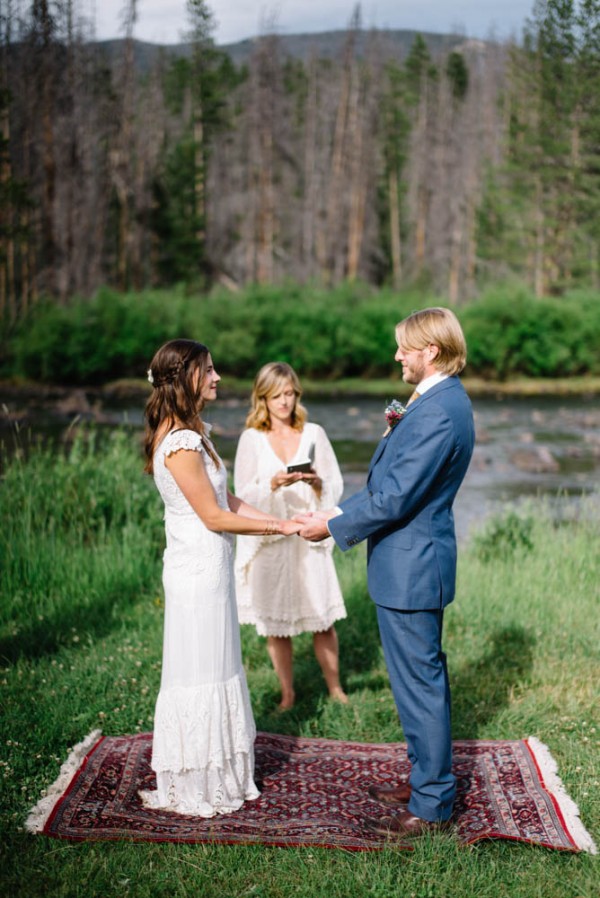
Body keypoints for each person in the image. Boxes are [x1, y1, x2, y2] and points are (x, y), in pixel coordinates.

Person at [296, 308, 475, 838]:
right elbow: (388, 483)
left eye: (404, 348)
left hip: (414, 567)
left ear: (431, 352)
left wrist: (333, 529)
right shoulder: (432, 400)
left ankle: (433, 806)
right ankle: (426, 780)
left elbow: (397, 496)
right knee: (414, 684)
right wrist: (333, 513)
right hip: (408, 563)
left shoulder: (441, 411)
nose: (396, 356)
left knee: (421, 685)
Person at [139, 339, 300, 817]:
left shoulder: (196, 431)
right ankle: (197, 783)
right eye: (208, 370)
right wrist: (275, 526)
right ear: (186, 377)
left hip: (213, 568)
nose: (217, 377)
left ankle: (221, 773)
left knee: (219, 665)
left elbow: (228, 502)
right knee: (201, 672)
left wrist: (285, 523)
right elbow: (212, 516)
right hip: (196, 574)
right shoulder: (180, 442)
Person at [234, 361, 347, 711]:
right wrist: (273, 483)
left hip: (308, 538)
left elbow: (336, 484)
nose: (284, 402)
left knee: (322, 621)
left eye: (289, 394)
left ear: (297, 395)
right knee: (275, 627)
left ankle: (335, 688)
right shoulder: (251, 439)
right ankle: (287, 693)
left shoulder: (314, 433)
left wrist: (315, 483)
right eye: (275, 395)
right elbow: (241, 493)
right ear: (262, 399)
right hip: (270, 541)